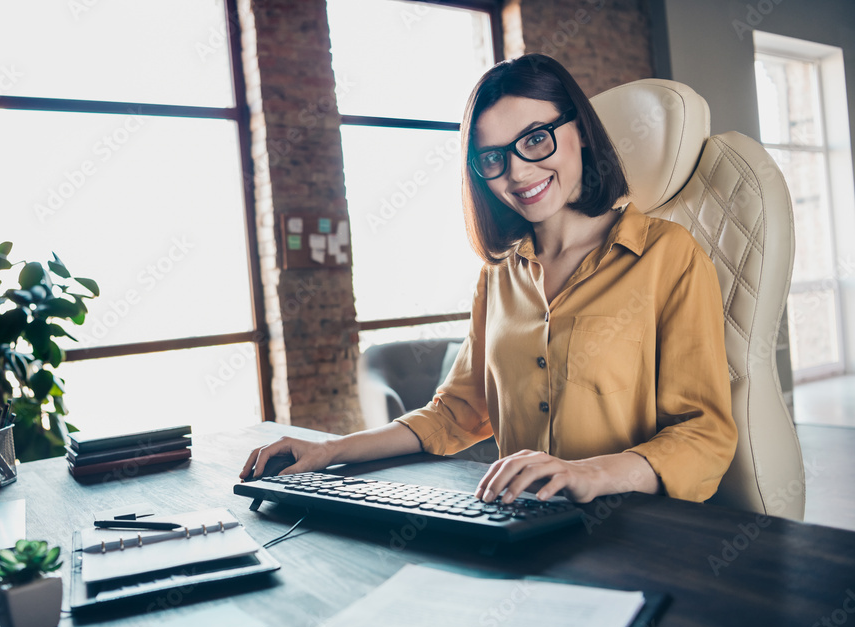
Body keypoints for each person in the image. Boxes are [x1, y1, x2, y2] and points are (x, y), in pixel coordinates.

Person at [240, 54, 737, 505]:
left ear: (580, 130)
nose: (519, 173)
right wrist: (329, 450)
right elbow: (455, 412)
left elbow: (704, 435)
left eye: (536, 139)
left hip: (639, 528)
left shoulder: (669, 256)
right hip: (523, 524)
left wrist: (590, 474)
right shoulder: (499, 275)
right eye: (494, 158)